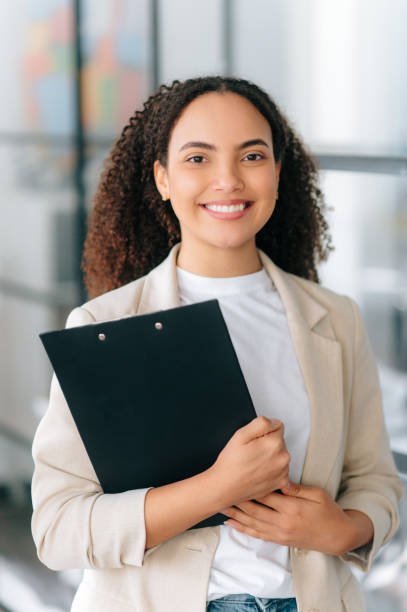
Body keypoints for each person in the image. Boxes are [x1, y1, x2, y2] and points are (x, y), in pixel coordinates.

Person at [31, 76, 403, 612]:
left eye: (252, 155)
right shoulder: (102, 323)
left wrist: (344, 530)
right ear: (162, 178)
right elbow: (58, 528)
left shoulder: (336, 319)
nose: (227, 180)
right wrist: (217, 487)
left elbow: (376, 480)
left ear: (277, 172)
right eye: (198, 159)